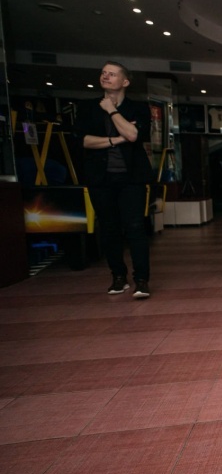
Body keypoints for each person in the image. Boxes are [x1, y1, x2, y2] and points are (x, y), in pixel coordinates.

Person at [74, 61, 154, 299]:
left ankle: (141, 280)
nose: (105, 76)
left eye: (112, 74)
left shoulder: (138, 108)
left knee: (135, 227)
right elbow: (84, 141)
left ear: (125, 81)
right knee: (109, 229)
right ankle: (118, 276)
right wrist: (117, 140)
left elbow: (134, 135)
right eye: (103, 73)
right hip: (100, 178)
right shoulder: (88, 107)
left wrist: (111, 110)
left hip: (132, 178)